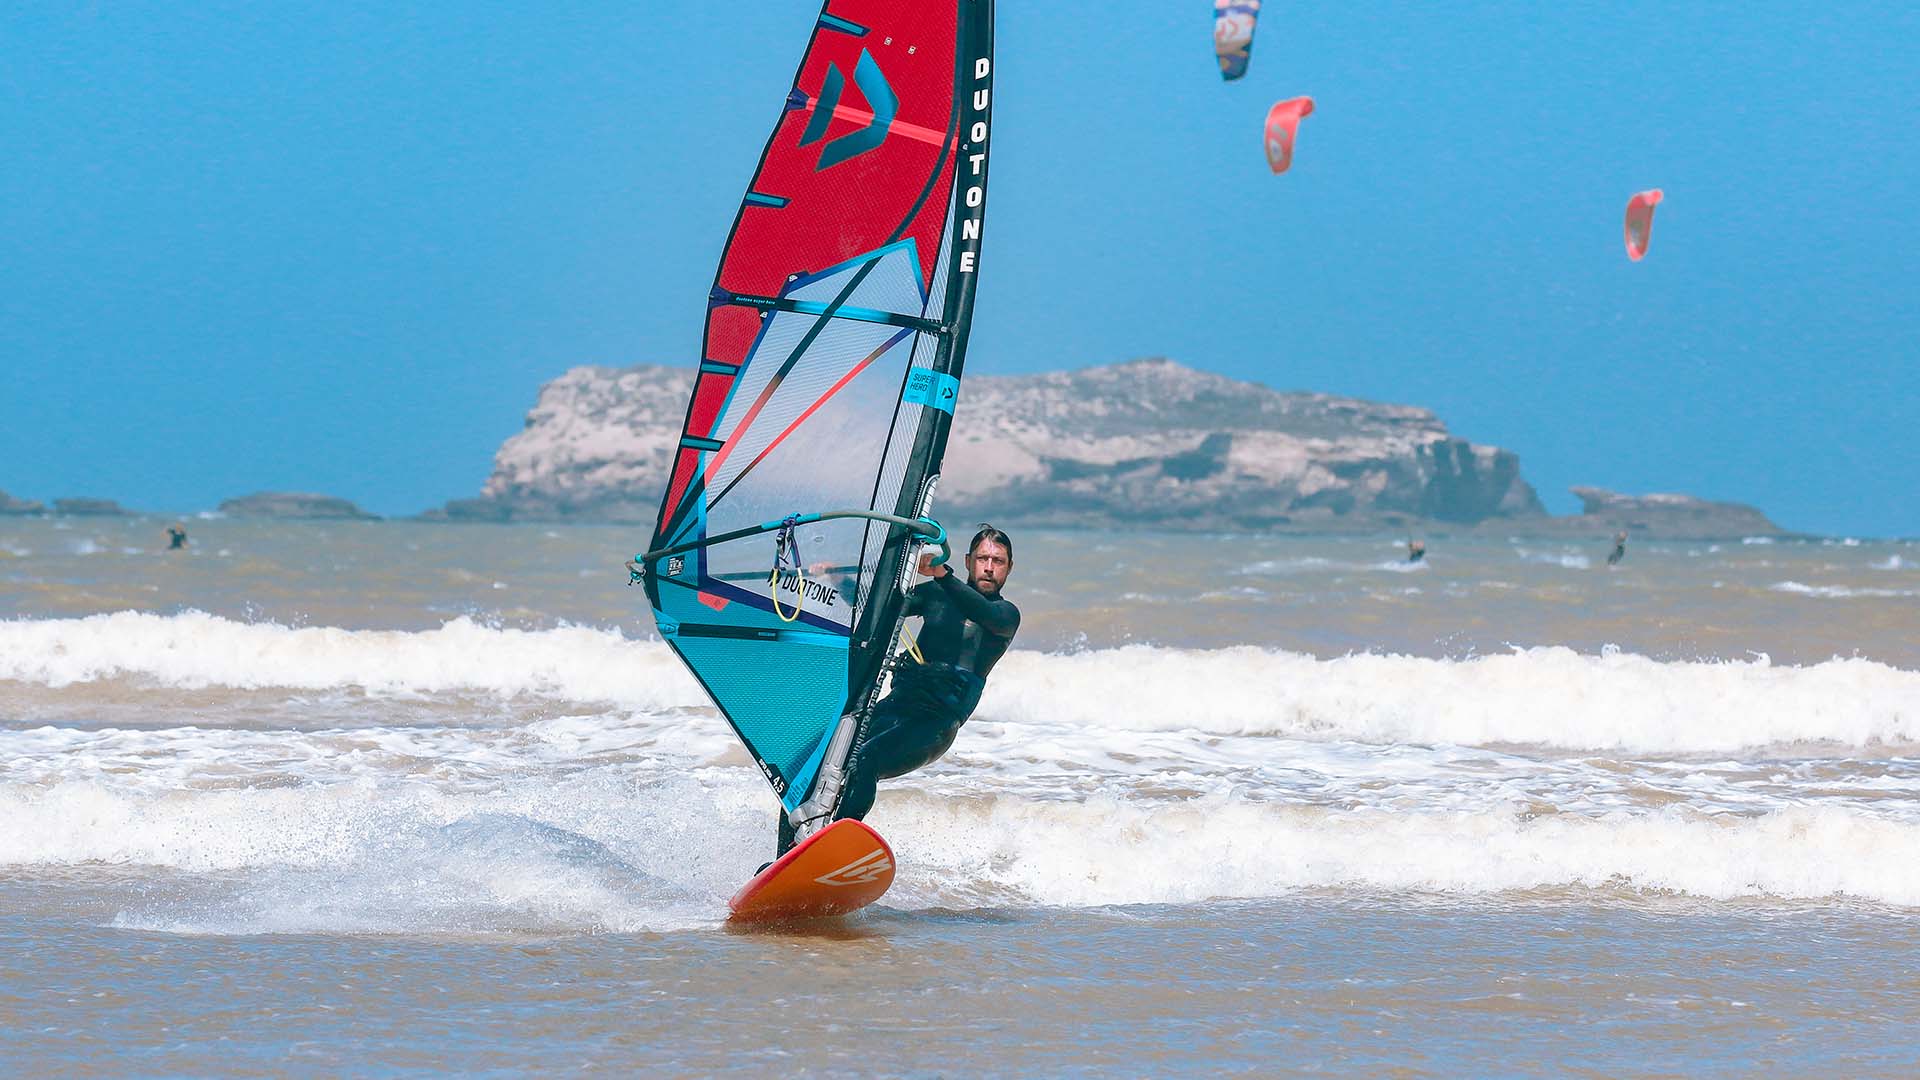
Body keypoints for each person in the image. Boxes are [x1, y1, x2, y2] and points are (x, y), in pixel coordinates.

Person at [777, 524, 1020, 856]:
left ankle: (831, 851)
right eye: (982, 558)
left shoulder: (1005, 615)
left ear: (1009, 567)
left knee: (865, 760)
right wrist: (838, 579)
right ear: (968, 560)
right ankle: (784, 856)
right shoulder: (937, 595)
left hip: (934, 724)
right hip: (897, 706)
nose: (989, 567)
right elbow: (886, 606)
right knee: (813, 759)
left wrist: (941, 574)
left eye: (998, 561)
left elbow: (980, 610)